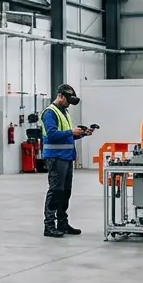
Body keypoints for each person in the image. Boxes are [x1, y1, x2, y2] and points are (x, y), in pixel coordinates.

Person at [41, 83, 92, 238]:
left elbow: (67, 135)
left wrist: (82, 133)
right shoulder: (50, 113)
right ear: (60, 96)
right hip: (56, 158)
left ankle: (62, 223)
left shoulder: (65, 112)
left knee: (65, 192)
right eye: (68, 100)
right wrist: (71, 131)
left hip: (67, 157)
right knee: (56, 191)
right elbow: (52, 134)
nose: (69, 103)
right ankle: (49, 226)